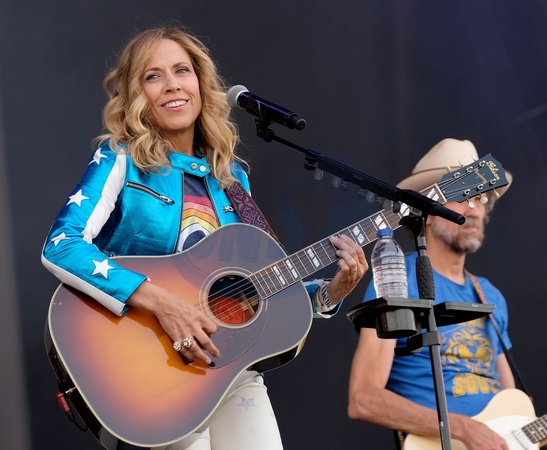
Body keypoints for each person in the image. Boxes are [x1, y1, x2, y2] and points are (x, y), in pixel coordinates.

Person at [41, 26, 368, 450]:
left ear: (201, 83)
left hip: (229, 370)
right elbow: (61, 245)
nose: (172, 84)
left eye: (182, 70)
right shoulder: (120, 158)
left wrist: (328, 294)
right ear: (136, 94)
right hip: (156, 370)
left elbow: (257, 289)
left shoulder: (232, 179)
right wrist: (163, 302)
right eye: (153, 76)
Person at [348, 138, 515, 450]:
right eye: (461, 195)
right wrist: (463, 429)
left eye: (480, 197)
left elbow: (514, 403)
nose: (474, 209)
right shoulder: (397, 280)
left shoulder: (490, 295)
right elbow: (363, 399)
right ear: (427, 211)